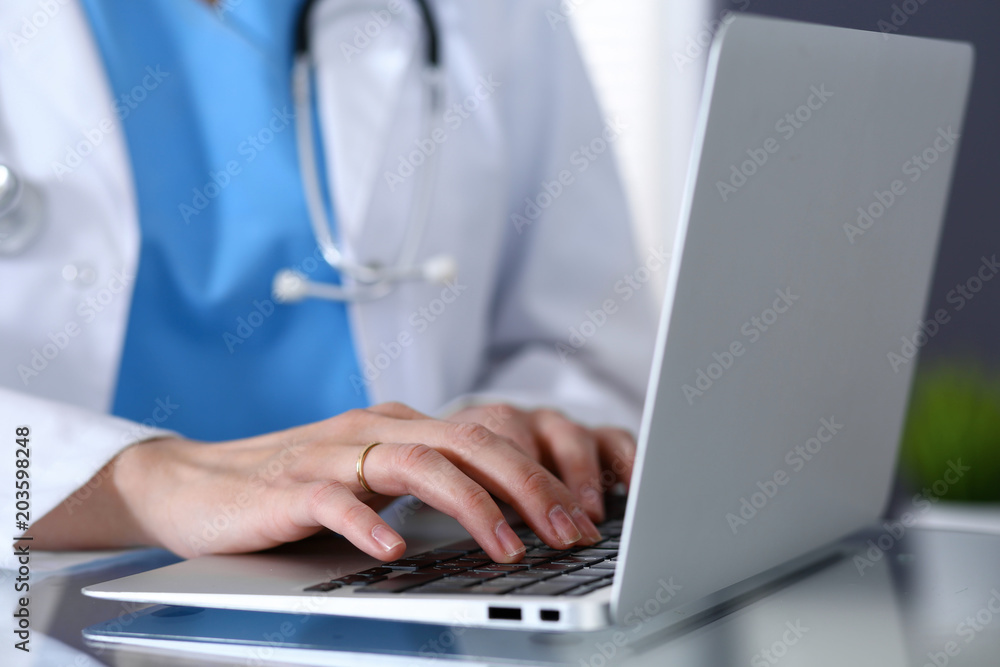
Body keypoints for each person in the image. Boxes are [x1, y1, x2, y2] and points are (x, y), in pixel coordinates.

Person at [0, 0, 656, 568]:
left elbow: (587, 336)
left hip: (405, 577)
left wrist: (503, 438)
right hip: (46, 603)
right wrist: (142, 482)